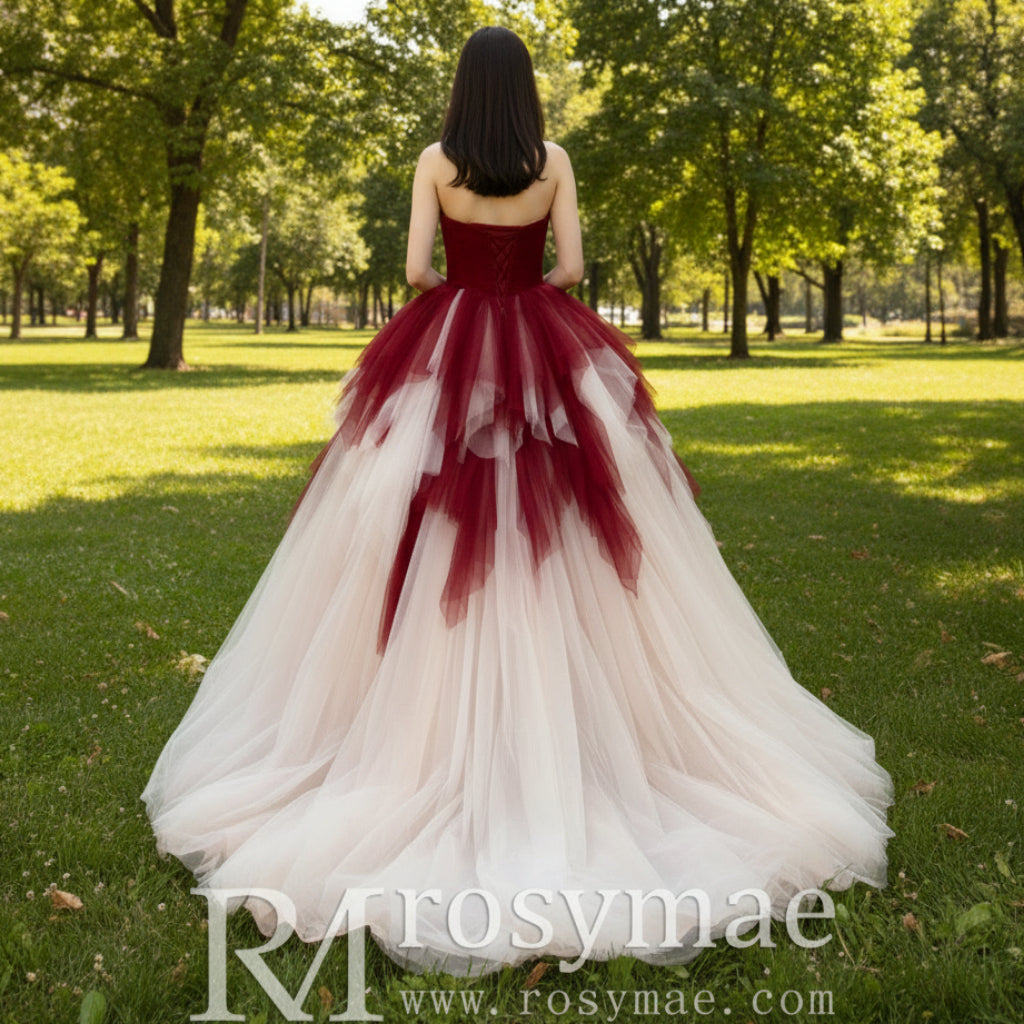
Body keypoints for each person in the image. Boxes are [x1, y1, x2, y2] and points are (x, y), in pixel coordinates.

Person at [141, 26, 895, 978]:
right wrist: (524, 289)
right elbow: (571, 268)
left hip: (451, 342)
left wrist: (465, 286)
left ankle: (416, 724)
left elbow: (418, 270)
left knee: (426, 525)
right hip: (539, 345)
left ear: (462, 91)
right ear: (527, 93)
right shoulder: (554, 163)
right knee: (577, 530)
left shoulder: (435, 161)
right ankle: (576, 720)